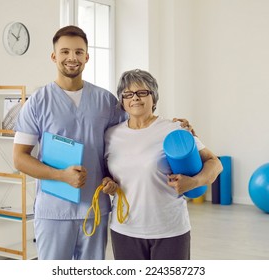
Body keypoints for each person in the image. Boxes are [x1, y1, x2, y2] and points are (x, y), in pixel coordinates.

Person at [12, 25, 126, 260]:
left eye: (78, 52)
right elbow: (19, 158)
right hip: (53, 212)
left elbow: (130, 137)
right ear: (54, 57)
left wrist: (173, 125)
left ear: (87, 56)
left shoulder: (106, 101)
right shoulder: (37, 102)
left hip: (95, 209)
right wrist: (60, 175)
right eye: (64, 52)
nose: (71, 58)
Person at [104, 69, 223, 260]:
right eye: (128, 94)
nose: (135, 98)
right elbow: (106, 173)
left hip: (169, 231)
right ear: (122, 101)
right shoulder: (110, 135)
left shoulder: (174, 129)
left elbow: (215, 163)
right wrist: (107, 183)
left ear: (154, 98)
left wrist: (194, 182)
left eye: (142, 92)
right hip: (124, 229)